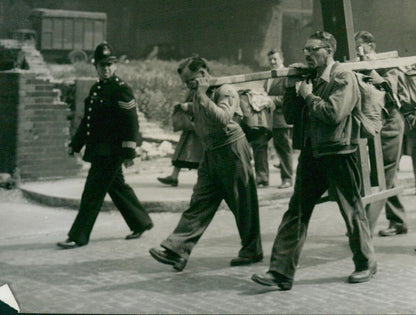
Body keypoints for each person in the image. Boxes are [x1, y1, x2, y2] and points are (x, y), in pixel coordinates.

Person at [251, 31, 376, 290]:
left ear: (328, 50)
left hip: (339, 152)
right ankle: (280, 273)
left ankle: (366, 264)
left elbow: (333, 113)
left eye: (313, 49)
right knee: (296, 211)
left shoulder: (343, 76)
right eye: (304, 49)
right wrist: (290, 87)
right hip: (312, 152)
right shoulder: (310, 78)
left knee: (351, 210)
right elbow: (292, 118)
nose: (306, 54)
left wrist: (308, 95)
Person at [148, 55, 262, 270]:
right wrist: (189, 106)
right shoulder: (199, 94)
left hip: (232, 150)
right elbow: (202, 113)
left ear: (202, 74)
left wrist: (200, 96)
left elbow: (223, 117)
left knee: (242, 202)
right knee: (199, 202)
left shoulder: (225, 90)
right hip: (211, 154)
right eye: (186, 83)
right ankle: (177, 251)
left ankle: (252, 250)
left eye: (191, 81)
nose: (189, 86)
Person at [57, 42, 153, 249]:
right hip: (99, 150)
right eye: (102, 65)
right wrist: (75, 144)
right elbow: (88, 122)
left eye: (110, 65)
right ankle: (141, 222)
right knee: (117, 187)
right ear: (96, 67)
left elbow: (131, 124)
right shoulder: (96, 89)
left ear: (115, 66)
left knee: (92, 193)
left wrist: (129, 152)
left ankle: (78, 236)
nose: (106, 69)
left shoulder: (122, 90)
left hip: (112, 152)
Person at [354, 31, 408, 237]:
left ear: (370, 45)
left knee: (384, 173)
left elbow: (390, 89)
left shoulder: (388, 63)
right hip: (376, 124)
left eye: (360, 46)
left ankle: (365, 228)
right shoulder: (359, 64)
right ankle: (399, 220)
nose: (358, 50)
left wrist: (370, 68)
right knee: (385, 172)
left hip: (391, 123)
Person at [262, 49, 295, 189]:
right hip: (267, 119)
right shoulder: (268, 76)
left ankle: (287, 179)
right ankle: (261, 179)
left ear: (282, 59)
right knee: (259, 145)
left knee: (283, 148)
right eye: (270, 60)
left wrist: (271, 100)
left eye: (275, 59)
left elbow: (289, 98)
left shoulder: (286, 75)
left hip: (282, 117)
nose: (273, 62)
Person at [157, 94, 205, 187]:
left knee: (200, 156)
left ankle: (202, 181)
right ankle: (174, 176)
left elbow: (205, 106)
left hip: (200, 128)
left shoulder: (206, 90)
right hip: (191, 127)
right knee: (181, 152)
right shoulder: (194, 90)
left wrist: (188, 106)